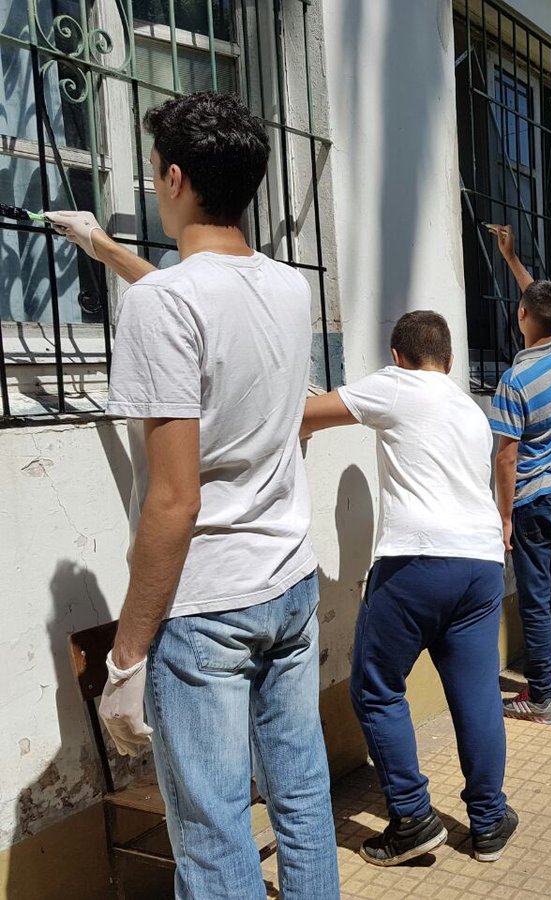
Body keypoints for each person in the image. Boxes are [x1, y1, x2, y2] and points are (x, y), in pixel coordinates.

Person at [48, 93, 339, 898]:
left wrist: (127, 656)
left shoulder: (164, 304)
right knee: (302, 798)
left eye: (153, 172)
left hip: (208, 606)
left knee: (213, 835)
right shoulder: (288, 288)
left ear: (174, 178)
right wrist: (108, 250)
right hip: (289, 585)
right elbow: (208, 316)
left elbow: (175, 501)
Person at [300, 311, 519, 865]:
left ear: (397, 357)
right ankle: (489, 821)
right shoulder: (469, 410)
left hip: (417, 562)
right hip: (481, 565)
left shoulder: (396, 384)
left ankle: (412, 817)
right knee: (476, 694)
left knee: (375, 688)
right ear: (449, 360)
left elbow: (307, 414)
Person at [488, 225, 551, 725]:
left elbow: (506, 458)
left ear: (521, 314)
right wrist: (512, 258)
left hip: (532, 502)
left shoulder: (514, 381)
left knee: (536, 600)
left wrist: (504, 517)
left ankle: (541, 697)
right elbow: (540, 301)